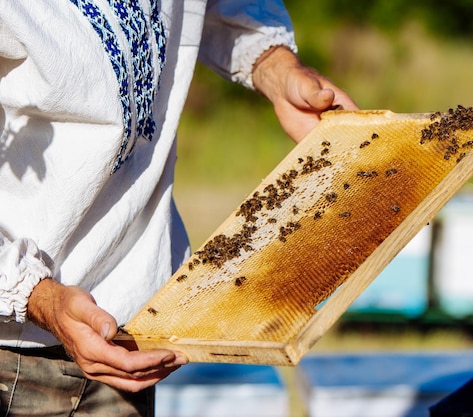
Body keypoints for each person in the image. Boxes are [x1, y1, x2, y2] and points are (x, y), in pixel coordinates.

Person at [0, 0, 358, 415]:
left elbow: (217, 8)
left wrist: (279, 72)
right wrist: (37, 296)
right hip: (13, 359)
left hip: (131, 336)